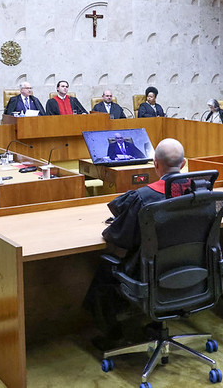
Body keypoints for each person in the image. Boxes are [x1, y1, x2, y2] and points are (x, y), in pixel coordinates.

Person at [87, 138, 186, 345]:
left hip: (149, 275)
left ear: (155, 165)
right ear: (183, 164)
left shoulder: (143, 198)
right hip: (188, 271)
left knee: (106, 268)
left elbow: (118, 237)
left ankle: (112, 335)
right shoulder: (201, 191)